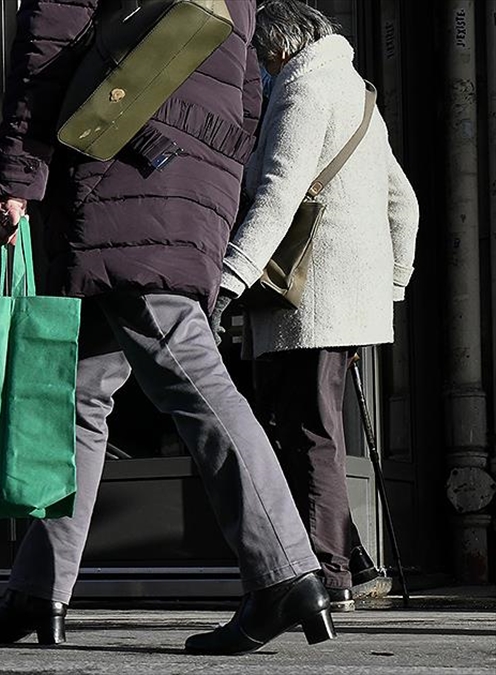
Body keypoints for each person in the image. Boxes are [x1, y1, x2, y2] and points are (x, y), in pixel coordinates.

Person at [0, 0, 334, 655]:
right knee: (77, 391)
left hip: (122, 165)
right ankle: (37, 587)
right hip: (183, 174)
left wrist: (16, 179)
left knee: (184, 362)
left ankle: (285, 572)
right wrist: (207, 166)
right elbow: (248, 90)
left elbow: (48, 47)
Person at [209, 0, 418, 613]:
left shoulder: (301, 89)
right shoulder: (359, 95)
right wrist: (392, 286)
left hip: (308, 298)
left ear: (276, 51)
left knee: (305, 434)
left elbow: (279, 189)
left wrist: (230, 276)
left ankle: (329, 577)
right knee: (307, 429)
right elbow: (403, 202)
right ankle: (349, 558)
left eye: (260, 60)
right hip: (341, 299)